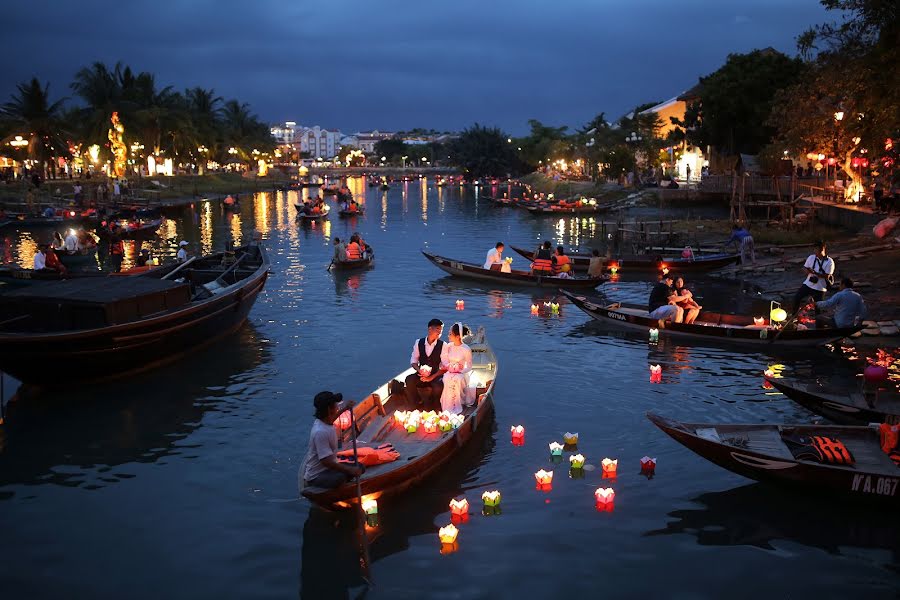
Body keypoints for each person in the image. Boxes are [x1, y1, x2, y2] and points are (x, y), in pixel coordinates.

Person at [299, 391, 364, 491]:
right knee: (341, 477)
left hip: (329, 468)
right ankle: (339, 493)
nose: (338, 406)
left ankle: (344, 484)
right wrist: (350, 470)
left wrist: (345, 408)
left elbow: (332, 419)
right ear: (329, 409)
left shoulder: (325, 421)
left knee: (360, 467)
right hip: (317, 475)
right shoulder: (320, 432)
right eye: (336, 404)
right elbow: (326, 462)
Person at [405, 319, 445, 410]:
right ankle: (417, 401)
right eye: (438, 329)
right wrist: (419, 371)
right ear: (430, 329)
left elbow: (445, 367)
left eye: (441, 330)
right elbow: (414, 361)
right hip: (421, 374)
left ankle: (434, 404)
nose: (440, 332)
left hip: (435, 375)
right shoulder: (419, 342)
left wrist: (431, 377)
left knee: (438, 386)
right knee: (409, 380)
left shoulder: (443, 345)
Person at [439, 323, 474, 415]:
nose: (448, 336)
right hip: (450, 371)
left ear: (458, 336)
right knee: (446, 378)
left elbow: (469, 366)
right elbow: (445, 360)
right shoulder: (448, 346)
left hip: (461, 373)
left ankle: (458, 404)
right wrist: (447, 366)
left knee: (457, 379)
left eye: (450, 334)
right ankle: (447, 407)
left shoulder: (466, 349)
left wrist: (460, 370)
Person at [793, 241, 835, 311]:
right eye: (814, 249)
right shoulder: (811, 257)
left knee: (818, 307)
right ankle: (794, 315)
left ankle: (818, 321)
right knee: (797, 298)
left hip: (820, 288)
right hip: (808, 284)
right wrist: (807, 271)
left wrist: (815, 273)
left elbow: (827, 276)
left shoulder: (829, 261)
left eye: (816, 249)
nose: (814, 251)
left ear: (822, 249)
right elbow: (805, 267)